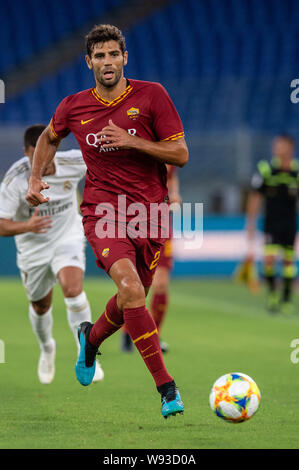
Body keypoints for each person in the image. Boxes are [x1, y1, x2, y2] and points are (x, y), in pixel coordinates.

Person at [26, 24, 188, 418]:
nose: (107, 62)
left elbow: (180, 153)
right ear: (89, 62)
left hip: (149, 214)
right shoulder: (74, 106)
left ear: (124, 58)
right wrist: (35, 176)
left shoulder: (153, 95)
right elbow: (49, 136)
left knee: (131, 299)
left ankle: (90, 339)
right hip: (102, 212)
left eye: (114, 54)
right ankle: (167, 389)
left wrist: (132, 141)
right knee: (131, 289)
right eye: (99, 56)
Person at [0, 124, 104, 384]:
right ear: (26, 153)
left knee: (72, 288)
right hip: (32, 245)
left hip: (67, 235)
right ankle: (47, 348)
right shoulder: (15, 180)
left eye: (45, 154)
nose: (42, 162)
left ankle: (86, 352)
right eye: (35, 156)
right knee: (40, 304)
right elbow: (1, 223)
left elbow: (108, 165)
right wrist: (27, 226)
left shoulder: (74, 162)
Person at [121, 165, 181, 353]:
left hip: (161, 228)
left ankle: (154, 334)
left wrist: (174, 194)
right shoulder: (135, 147)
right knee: (134, 284)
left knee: (161, 284)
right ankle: (127, 331)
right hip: (135, 225)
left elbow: (171, 177)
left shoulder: (168, 151)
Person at [246, 134, 298, 314]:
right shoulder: (266, 169)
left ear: (290, 148)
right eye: (275, 145)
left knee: (288, 261)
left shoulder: (296, 171)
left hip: (290, 223)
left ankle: (286, 297)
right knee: (269, 259)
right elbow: (255, 196)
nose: (276, 148)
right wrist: (250, 223)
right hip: (271, 223)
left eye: (280, 145)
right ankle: (272, 294)